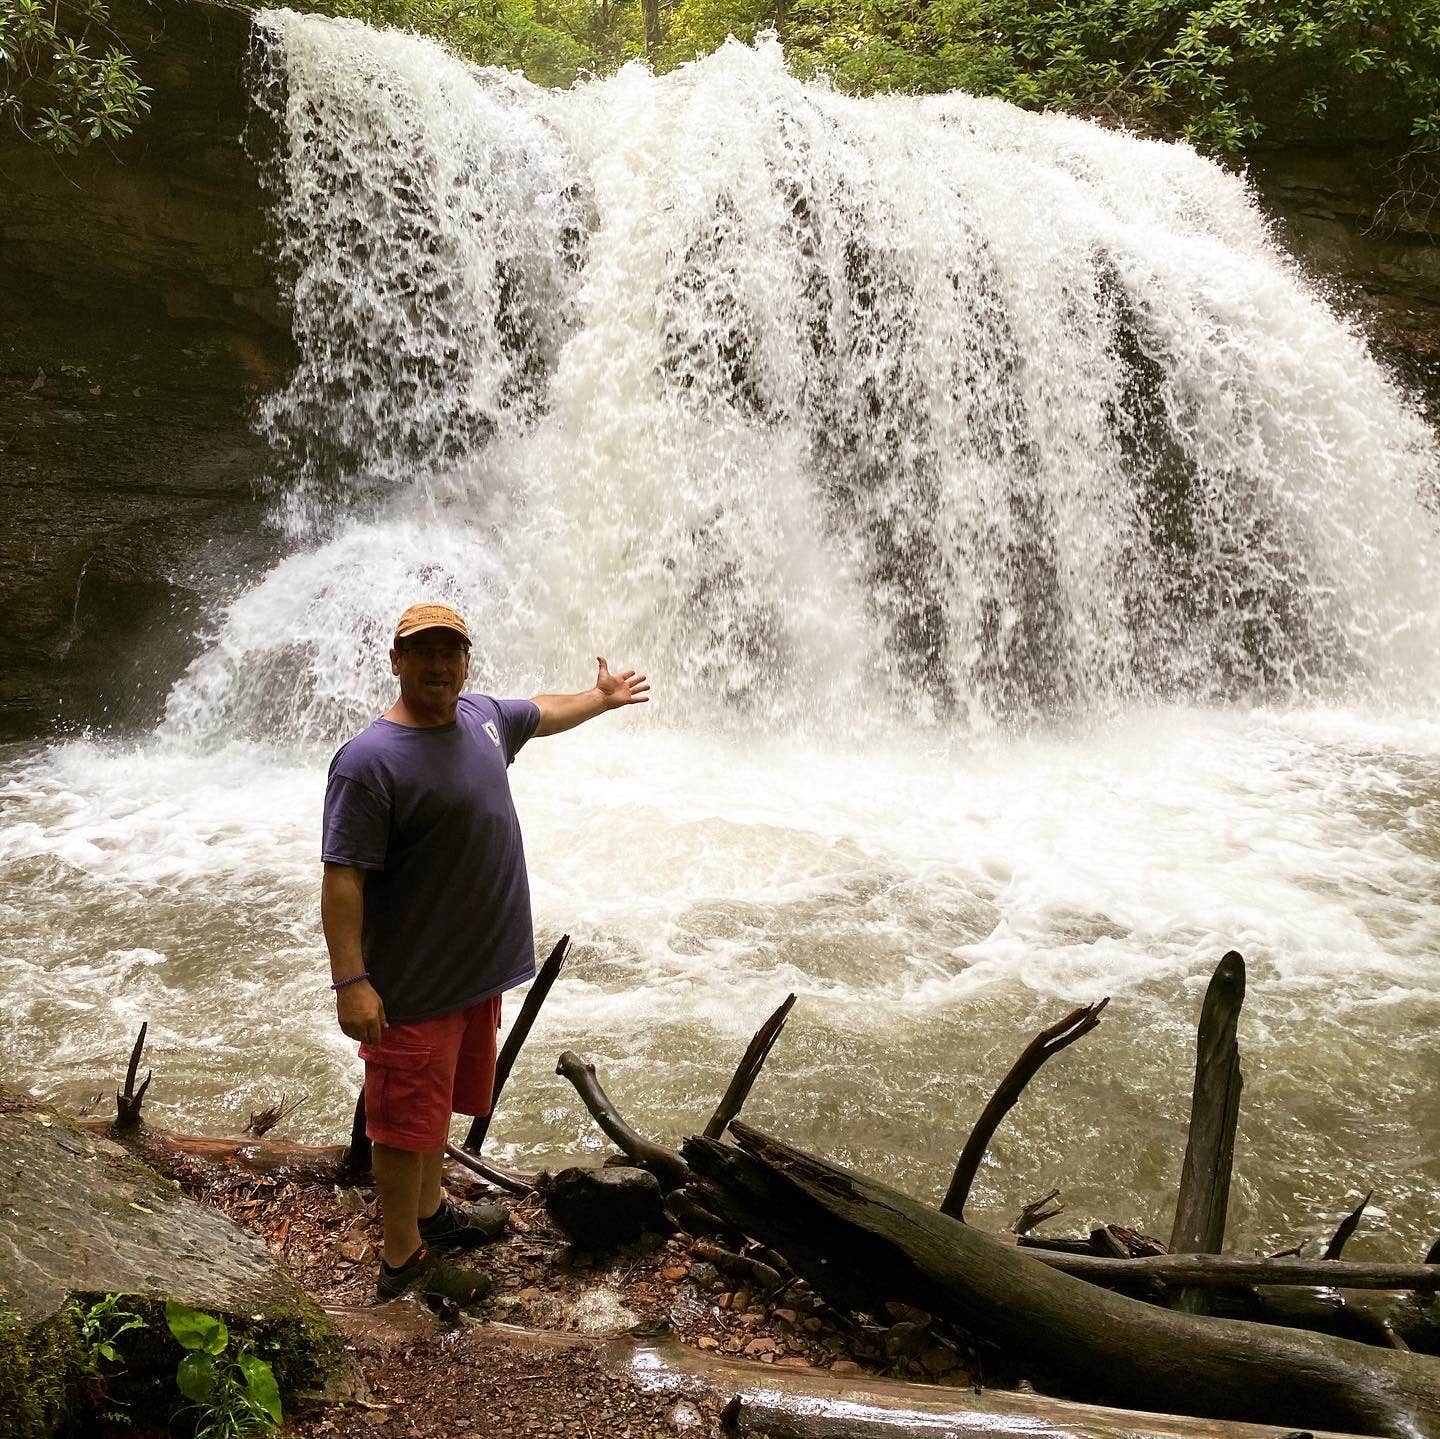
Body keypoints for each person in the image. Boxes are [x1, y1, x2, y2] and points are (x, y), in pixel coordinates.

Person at [320, 602, 649, 1306]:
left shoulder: (482, 719)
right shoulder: (368, 761)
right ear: (396, 660)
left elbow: (541, 710)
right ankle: (402, 1261)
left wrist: (599, 698)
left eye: (450, 651)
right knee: (401, 1121)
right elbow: (342, 878)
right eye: (422, 652)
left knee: (435, 1105)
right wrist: (351, 981)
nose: (438, 665)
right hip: (413, 983)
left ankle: (432, 1212)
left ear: (466, 660)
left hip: (474, 975)